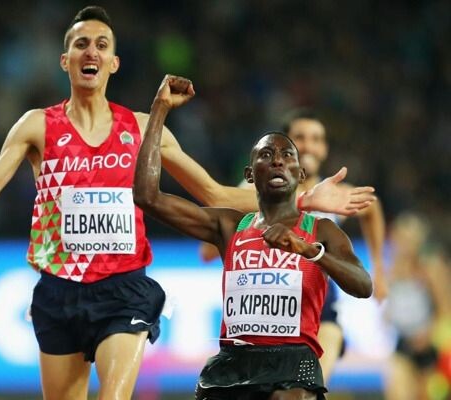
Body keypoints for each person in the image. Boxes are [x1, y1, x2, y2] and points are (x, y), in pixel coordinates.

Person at [0, 6, 376, 400]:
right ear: (65, 60)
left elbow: (214, 195)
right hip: (59, 291)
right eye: (80, 44)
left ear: (113, 63)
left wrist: (303, 199)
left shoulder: (139, 128)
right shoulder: (37, 126)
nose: (90, 51)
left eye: (101, 44)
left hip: (124, 290)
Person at [133, 75, 373, 400]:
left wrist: (309, 251)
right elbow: (147, 197)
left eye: (287, 156)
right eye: (266, 155)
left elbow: (363, 285)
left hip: (293, 363)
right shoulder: (229, 226)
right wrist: (160, 109)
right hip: (233, 363)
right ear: (249, 175)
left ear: (300, 174)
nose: (277, 160)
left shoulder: (321, 230)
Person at [199, 109, 387, 382]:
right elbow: (207, 250)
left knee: (312, 383)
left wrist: (379, 268)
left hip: (319, 306)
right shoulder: (255, 189)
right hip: (265, 306)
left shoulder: (333, 192)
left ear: (325, 148)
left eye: (316, 139)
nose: (309, 145)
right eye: (300, 137)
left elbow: (372, 208)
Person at [384, 213, 449, 400]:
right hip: (404, 342)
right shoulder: (392, 269)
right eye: (400, 239)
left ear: (418, 241)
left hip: (431, 345)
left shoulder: (430, 267)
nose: (403, 244)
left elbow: (444, 307)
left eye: (408, 240)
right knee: (397, 391)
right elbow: (391, 306)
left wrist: (429, 334)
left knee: (427, 394)